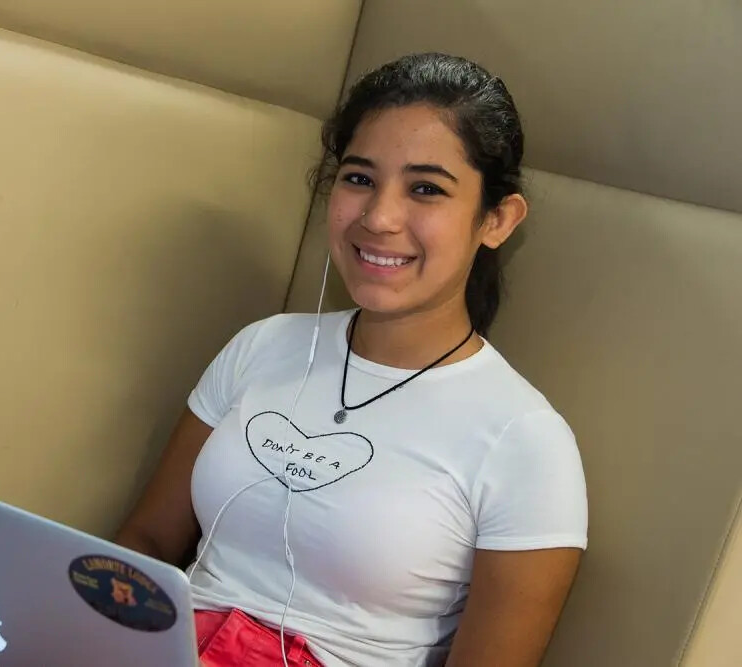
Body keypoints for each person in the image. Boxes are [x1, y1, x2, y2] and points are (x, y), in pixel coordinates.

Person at [115, 52, 588, 667]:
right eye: (359, 178)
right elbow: (147, 543)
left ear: (497, 218)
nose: (379, 217)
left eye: (426, 189)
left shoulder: (526, 442)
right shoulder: (263, 346)